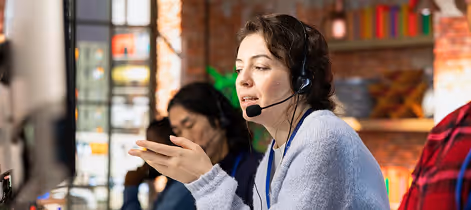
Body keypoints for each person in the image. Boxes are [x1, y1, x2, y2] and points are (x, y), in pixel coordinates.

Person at [129, 14, 390, 210]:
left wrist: (204, 180)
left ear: (302, 79)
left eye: (261, 67)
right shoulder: (278, 151)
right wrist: (200, 180)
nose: (242, 80)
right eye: (239, 69)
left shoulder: (322, 138)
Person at [166, 82, 264, 209]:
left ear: (219, 119)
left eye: (189, 125)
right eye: (177, 132)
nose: (184, 138)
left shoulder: (258, 170)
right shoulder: (188, 179)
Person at [121, 118, 196, 210]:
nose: (147, 153)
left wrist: (130, 189)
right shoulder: (175, 184)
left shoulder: (182, 189)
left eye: (152, 147)